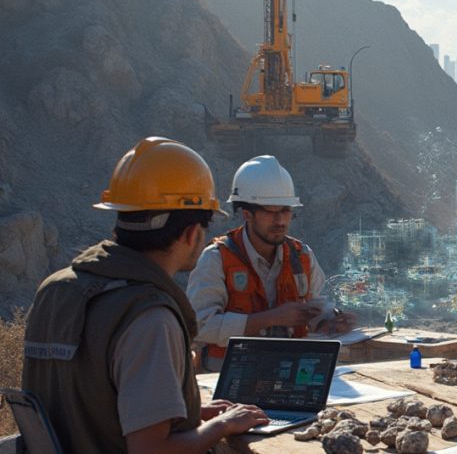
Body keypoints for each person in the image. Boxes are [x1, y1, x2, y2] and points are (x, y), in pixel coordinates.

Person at [22, 137, 268, 453]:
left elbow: (91, 405)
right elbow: (150, 450)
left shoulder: (56, 290)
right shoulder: (149, 317)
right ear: (192, 234)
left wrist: (192, 415)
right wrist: (222, 426)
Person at [188, 155, 355, 371]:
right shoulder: (216, 259)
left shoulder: (302, 256)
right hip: (225, 381)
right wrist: (268, 319)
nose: (281, 221)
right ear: (247, 213)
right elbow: (199, 326)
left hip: (289, 374)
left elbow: (317, 305)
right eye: (271, 212)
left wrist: (329, 321)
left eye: (286, 211)